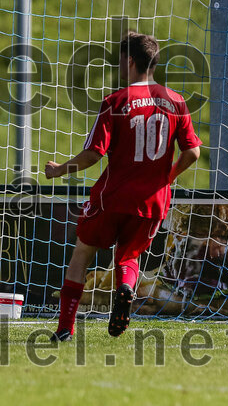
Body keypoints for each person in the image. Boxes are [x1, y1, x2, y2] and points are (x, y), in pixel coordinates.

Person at [44, 32, 201, 341]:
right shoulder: (177, 102)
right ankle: (126, 290)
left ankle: (65, 328)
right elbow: (193, 152)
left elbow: (94, 154)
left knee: (82, 255)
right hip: (153, 201)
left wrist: (60, 169)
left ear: (129, 61)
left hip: (112, 197)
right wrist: (168, 178)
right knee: (128, 257)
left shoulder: (116, 102)